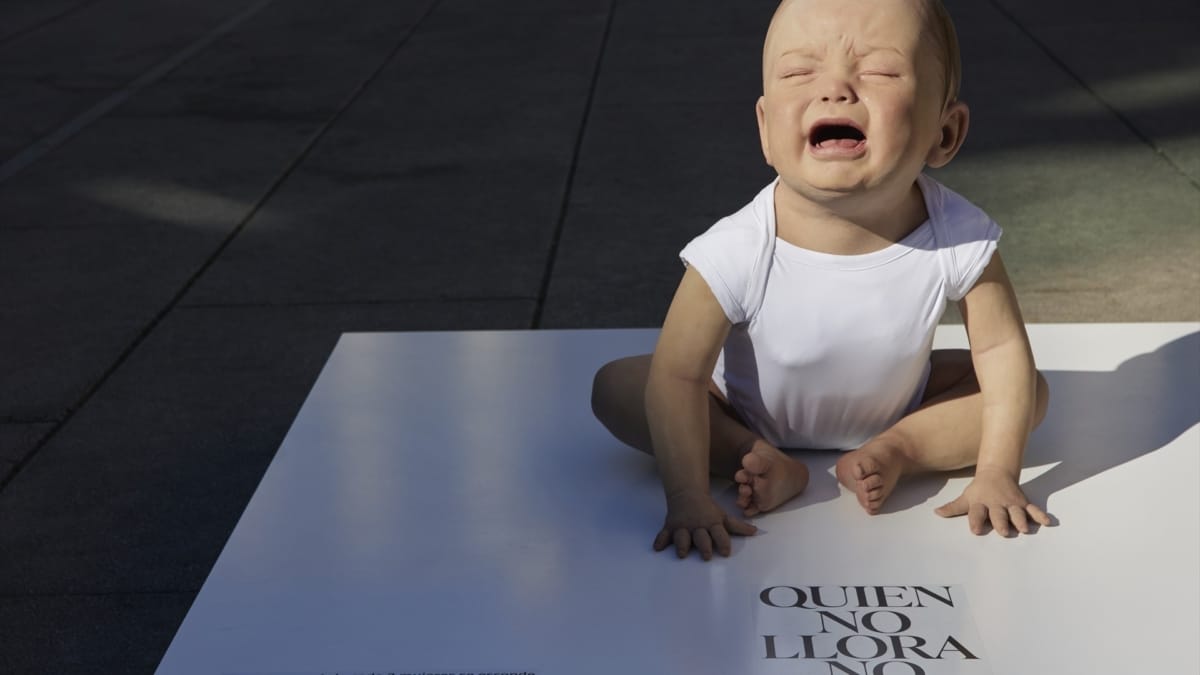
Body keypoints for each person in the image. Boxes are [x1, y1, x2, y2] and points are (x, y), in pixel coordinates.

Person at [590, 0, 1051, 561]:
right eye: (798, 72)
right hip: (740, 409)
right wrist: (687, 496)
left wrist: (997, 471)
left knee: (1027, 389)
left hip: (898, 407)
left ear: (945, 132)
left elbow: (1002, 349)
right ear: (765, 129)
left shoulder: (958, 235)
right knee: (625, 384)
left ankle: (898, 451)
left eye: (879, 71)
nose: (835, 90)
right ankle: (749, 454)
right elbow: (681, 377)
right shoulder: (737, 246)